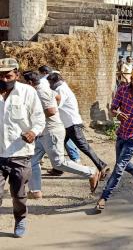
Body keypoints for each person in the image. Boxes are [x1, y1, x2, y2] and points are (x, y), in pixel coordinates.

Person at [23, 72, 100, 199]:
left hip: (51, 132)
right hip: (44, 132)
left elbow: (52, 111)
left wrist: (33, 118)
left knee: (58, 163)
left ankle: (91, 172)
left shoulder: (41, 92)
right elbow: (57, 98)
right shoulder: (42, 88)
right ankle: (35, 191)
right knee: (32, 160)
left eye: (24, 82)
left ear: (30, 82)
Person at [96, 67, 133, 211]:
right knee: (122, 163)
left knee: (119, 168)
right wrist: (117, 114)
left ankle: (104, 197)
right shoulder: (122, 90)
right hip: (122, 132)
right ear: (131, 79)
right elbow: (113, 108)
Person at [0, 58, 45, 238]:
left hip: (20, 153)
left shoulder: (28, 92)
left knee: (18, 195)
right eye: (0, 75)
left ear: (16, 74)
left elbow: (39, 119)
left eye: (8, 75)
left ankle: (20, 219)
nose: (4, 79)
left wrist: (33, 132)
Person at [47, 73, 110, 179]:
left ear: (54, 82)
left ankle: (101, 166)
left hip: (72, 124)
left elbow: (57, 106)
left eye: (50, 83)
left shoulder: (61, 89)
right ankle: (58, 169)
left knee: (84, 147)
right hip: (67, 124)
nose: (49, 85)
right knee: (57, 146)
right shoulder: (62, 88)